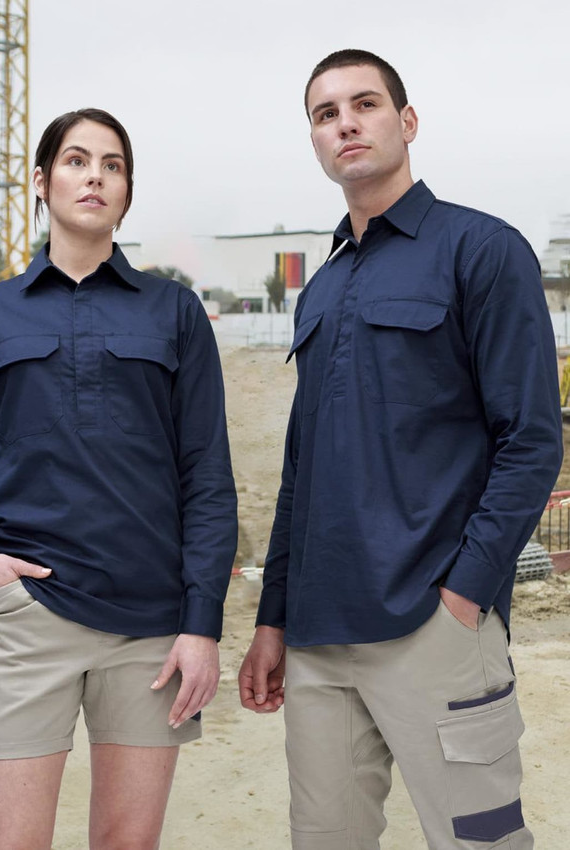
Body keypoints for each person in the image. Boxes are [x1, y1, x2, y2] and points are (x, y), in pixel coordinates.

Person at [238, 49, 562, 849]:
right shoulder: (321, 286)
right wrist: (273, 619)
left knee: (479, 841)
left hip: (432, 625)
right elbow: (300, 471)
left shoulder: (481, 251)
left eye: (365, 103)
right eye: (325, 113)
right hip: (318, 638)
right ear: (315, 141)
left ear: (407, 122)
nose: (345, 122)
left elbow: (531, 438)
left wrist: (465, 596)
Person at [0, 108, 237, 850]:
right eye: (78, 160)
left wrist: (201, 624)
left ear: (126, 191)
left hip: (150, 630)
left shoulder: (174, 312)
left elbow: (207, 478)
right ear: (41, 180)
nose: (95, 176)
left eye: (112, 165)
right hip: (24, 623)